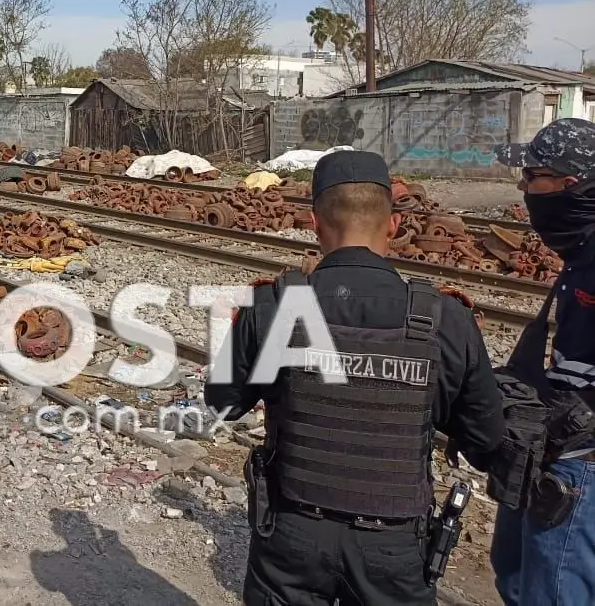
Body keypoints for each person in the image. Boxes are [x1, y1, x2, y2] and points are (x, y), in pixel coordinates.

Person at [207, 149, 505, 605]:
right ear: (392, 225)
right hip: (394, 547)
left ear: (313, 222)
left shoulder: (274, 308)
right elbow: (485, 441)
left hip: (294, 536)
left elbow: (223, 404)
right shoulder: (445, 319)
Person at [489, 117, 595, 606]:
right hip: (550, 454)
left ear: (570, 185)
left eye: (534, 177)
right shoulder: (580, 254)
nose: (523, 188)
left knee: (551, 594)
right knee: (515, 575)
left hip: (579, 468)